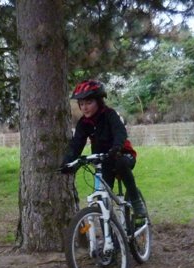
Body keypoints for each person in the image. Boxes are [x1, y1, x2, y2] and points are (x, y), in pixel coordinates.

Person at [60, 79, 146, 217]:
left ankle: (136, 202)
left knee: (121, 163)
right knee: (102, 199)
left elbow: (120, 132)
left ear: (99, 102)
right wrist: (67, 162)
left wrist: (116, 147)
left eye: (89, 103)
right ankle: (111, 235)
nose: (84, 108)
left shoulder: (109, 114)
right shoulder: (83, 123)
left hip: (122, 154)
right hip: (104, 161)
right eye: (81, 104)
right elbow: (77, 144)